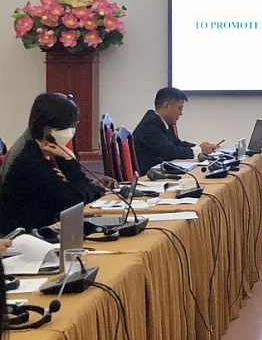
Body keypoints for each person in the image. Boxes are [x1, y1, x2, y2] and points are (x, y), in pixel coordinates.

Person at [0, 93, 116, 234]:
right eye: (69, 126)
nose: (72, 131)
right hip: (22, 237)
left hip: (43, 228)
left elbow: (72, 194)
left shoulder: (42, 147)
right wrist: (70, 161)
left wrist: (93, 187)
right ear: (48, 129)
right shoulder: (30, 159)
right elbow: (76, 201)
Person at [133, 86, 218, 174]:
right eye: (179, 108)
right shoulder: (149, 125)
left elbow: (177, 143)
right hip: (148, 176)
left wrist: (199, 147)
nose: (181, 113)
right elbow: (169, 152)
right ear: (167, 106)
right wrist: (199, 150)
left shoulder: (163, 122)